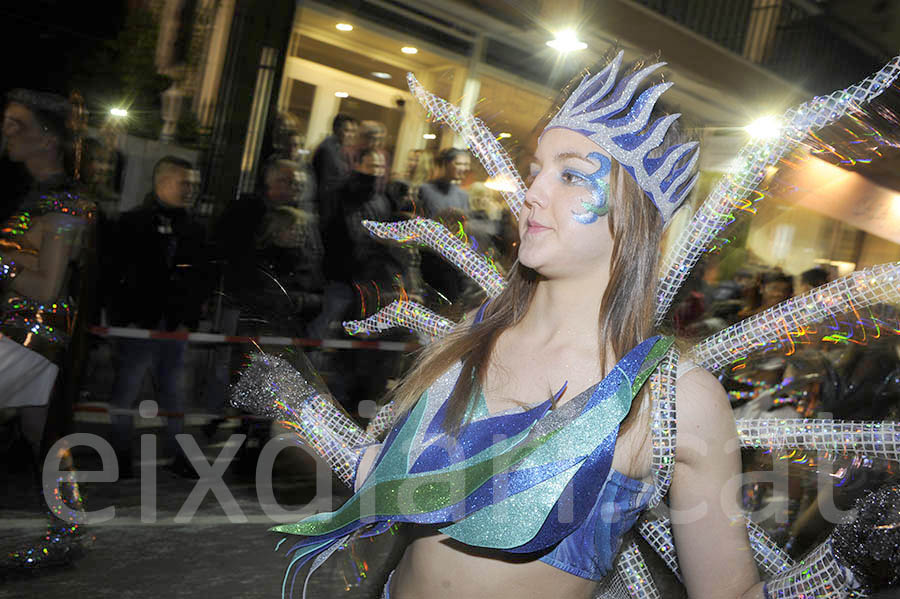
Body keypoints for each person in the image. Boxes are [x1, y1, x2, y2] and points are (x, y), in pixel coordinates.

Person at [236, 53, 900, 599]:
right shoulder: (474, 334)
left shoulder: (673, 398)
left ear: (634, 216)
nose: (531, 192)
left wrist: (835, 573)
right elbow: (400, 485)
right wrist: (299, 410)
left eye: (572, 175)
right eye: (535, 170)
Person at [0, 88, 96, 570]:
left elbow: (47, 286)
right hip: (24, 334)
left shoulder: (63, 203)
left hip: (31, 335)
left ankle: (68, 533)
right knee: (43, 435)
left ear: (47, 135)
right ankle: (68, 531)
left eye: (18, 123)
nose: (7, 131)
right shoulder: (40, 195)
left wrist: (2, 263)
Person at [106, 156, 209, 478]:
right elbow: (115, 275)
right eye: (185, 182)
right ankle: (120, 453)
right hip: (139, 322)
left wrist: (190, 317)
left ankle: (178, 453)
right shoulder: (131, 223)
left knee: (174, 390)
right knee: (128, 387)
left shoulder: (194, 228)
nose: (191, 189)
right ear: (162, 182)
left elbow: (201, 278)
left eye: (194, 183)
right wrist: (122, 316)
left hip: (174, 323)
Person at [311, 113, 357, 237]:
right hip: (326, 209)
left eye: (353, 131)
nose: (351, 135)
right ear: (336, 129)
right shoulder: (328, 149)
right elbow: (327, 184)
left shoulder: (343, 149)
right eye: (347, 130)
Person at [417, 147, 470, 218]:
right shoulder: (425, 190)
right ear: (445, 164)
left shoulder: (463, 195)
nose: (465, 168)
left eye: (466, 165)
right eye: (459, 164)